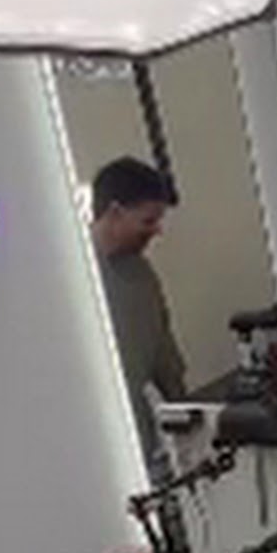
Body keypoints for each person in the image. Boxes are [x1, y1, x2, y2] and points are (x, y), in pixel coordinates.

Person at [89, 156, 186, 455]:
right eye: (148, 221)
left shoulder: (142, 276)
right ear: (115, 213)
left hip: (139, 443)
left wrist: (187, 417)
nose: (157, 230)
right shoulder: (73, 279)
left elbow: (164, 355)